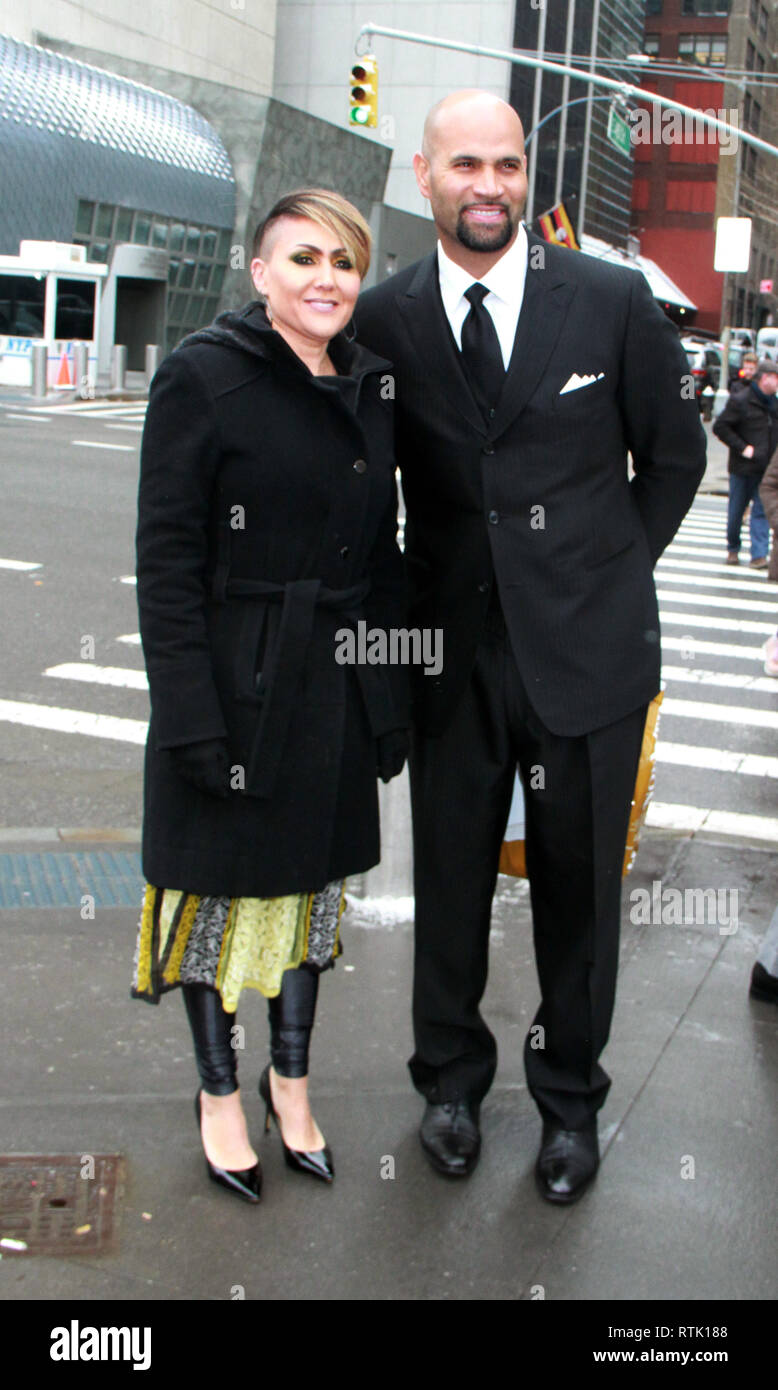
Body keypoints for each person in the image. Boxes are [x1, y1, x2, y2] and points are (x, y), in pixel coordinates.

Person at [355, 90, 706, 1203]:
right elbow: (367, 491)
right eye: (466, 164)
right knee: (449, 883)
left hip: (588, 660)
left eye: (506, 164)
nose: (490, 185)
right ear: (425, 176)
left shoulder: (605, 300)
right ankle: (449, 1085)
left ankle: (568, 1103)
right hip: (449, 654)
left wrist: (604, 578)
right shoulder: (386, 315)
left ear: (525, 174)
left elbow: (675, 457)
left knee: (578, 896)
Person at [131, 188, 409, 1203]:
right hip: (235, 678)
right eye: (302, 259)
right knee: (214, 895)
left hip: (333, 681)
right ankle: (216, 1093)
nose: (326, 279)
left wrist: (388, 697)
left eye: (343, 261)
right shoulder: (203, 377)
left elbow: (381, 553)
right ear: (260, 274)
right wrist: (192, 717)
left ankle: (290, 1080)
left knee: (309, 896)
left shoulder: (373, 386)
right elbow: (163, 563)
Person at [713, 358, 778, 568]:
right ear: (765, 378)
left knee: (761, 512)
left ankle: (758, 555)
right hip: (742, 467)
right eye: (776, 378)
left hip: (766, 468)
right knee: (736, 511)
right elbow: (720, 427)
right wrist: (742, 448)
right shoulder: (741, 400)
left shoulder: (774, 404)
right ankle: (733, 547)